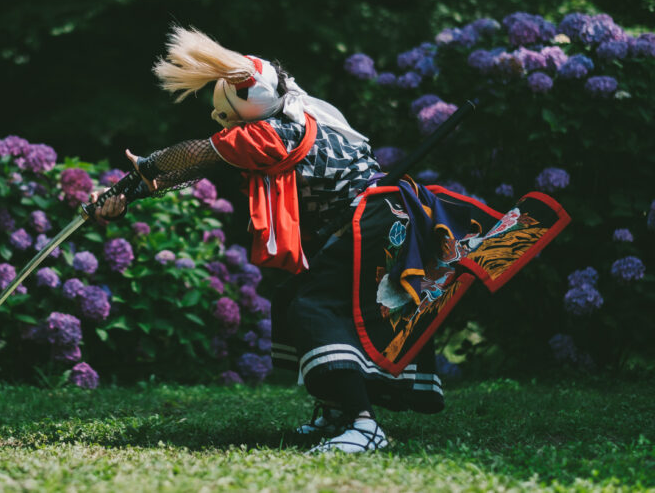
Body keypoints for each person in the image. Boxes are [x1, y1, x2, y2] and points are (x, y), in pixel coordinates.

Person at [92, 26, 570, 455]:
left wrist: (136, 178)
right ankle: (337, 412)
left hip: (373, 224)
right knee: (293, 298)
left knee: (314, 307)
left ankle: (363, 425)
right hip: (370, 222)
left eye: (225, 116)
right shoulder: (294, 114)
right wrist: (129, 192)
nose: (222, 125)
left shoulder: (274, 133)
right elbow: (202, 163)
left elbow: (192, 156)